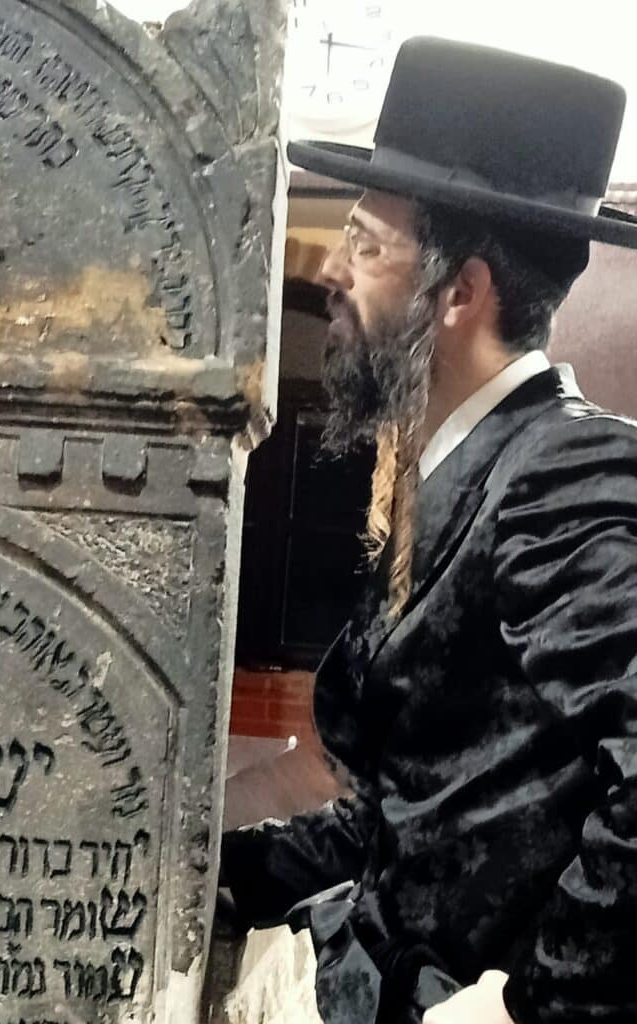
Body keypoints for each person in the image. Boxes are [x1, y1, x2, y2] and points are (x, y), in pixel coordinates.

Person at [218, 36, 637, 1024]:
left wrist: (531, 1007)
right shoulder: (451, 470)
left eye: (367, 246)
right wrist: (214, 872)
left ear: (460, 293)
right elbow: (403, 811)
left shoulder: (569, 470)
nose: (333, 274)